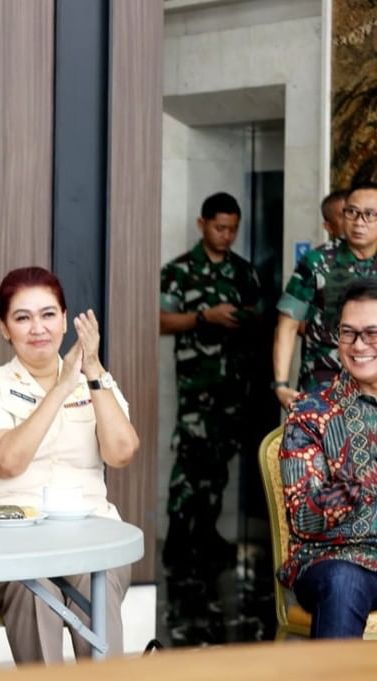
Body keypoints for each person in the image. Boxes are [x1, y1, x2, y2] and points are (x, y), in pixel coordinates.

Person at [0, 267, 138, 663]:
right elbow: (8, 461)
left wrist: (92, 373)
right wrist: (59, 389)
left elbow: (122, 453)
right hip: (4, 548)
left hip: (87, 536)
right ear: (4, 328)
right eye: (22, 318)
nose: (38, 328)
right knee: (36, 588)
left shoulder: (95, 380)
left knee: (98, 580)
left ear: (64, 319)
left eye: (48, 315)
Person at [159, 192, 262, 570]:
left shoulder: (244, 272)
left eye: (233, 229)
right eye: (220, 228)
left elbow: (261, 316)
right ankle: (177, 537)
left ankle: (206, 532)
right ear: (203, 225)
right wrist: (206, 317)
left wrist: (245, 318)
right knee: (190, 461)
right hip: (196, 387)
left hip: (233, 387)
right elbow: (160, 320)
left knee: (220, 463)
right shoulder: (179, 271)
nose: (227, 236)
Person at [279, 277, 377, 638]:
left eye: (372, 334)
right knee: (344, 582)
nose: (358, 345)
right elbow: (305, 516)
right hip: (333, 559)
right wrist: (364, 482)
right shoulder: (311, 412)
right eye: (348, 333)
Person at [274, 183, 377, 406]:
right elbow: (288, 324)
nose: (359, 222)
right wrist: (281, 385)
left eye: (370, 215)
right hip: (323, 383)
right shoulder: (317, 261)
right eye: (352, 212)